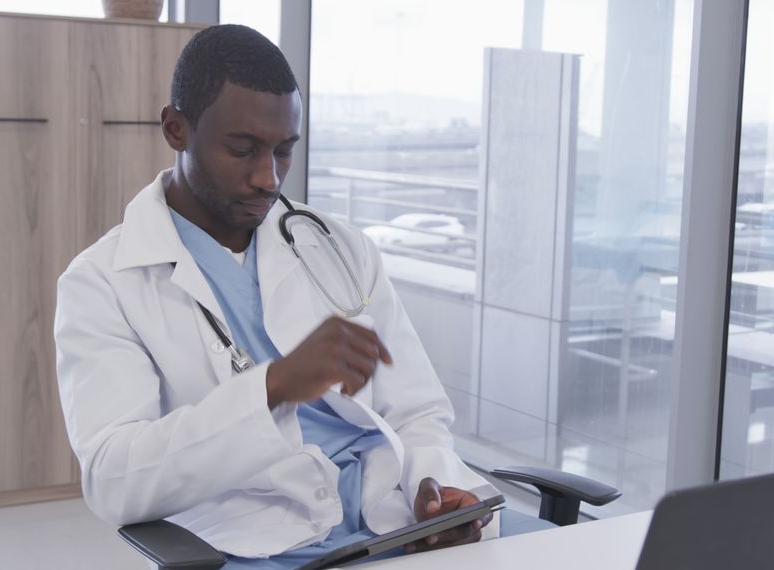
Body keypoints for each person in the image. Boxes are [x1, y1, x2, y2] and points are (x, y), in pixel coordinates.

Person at [54, 24, 547, 568]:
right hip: (256, 539)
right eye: (242, 151)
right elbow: (112, 478)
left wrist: (433, 489)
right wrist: (273, 387)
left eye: (284, 152)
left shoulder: (338, 248)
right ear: (176, 129)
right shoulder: (102, 282)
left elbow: (418, 409)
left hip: (388, 520)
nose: (269, 178)